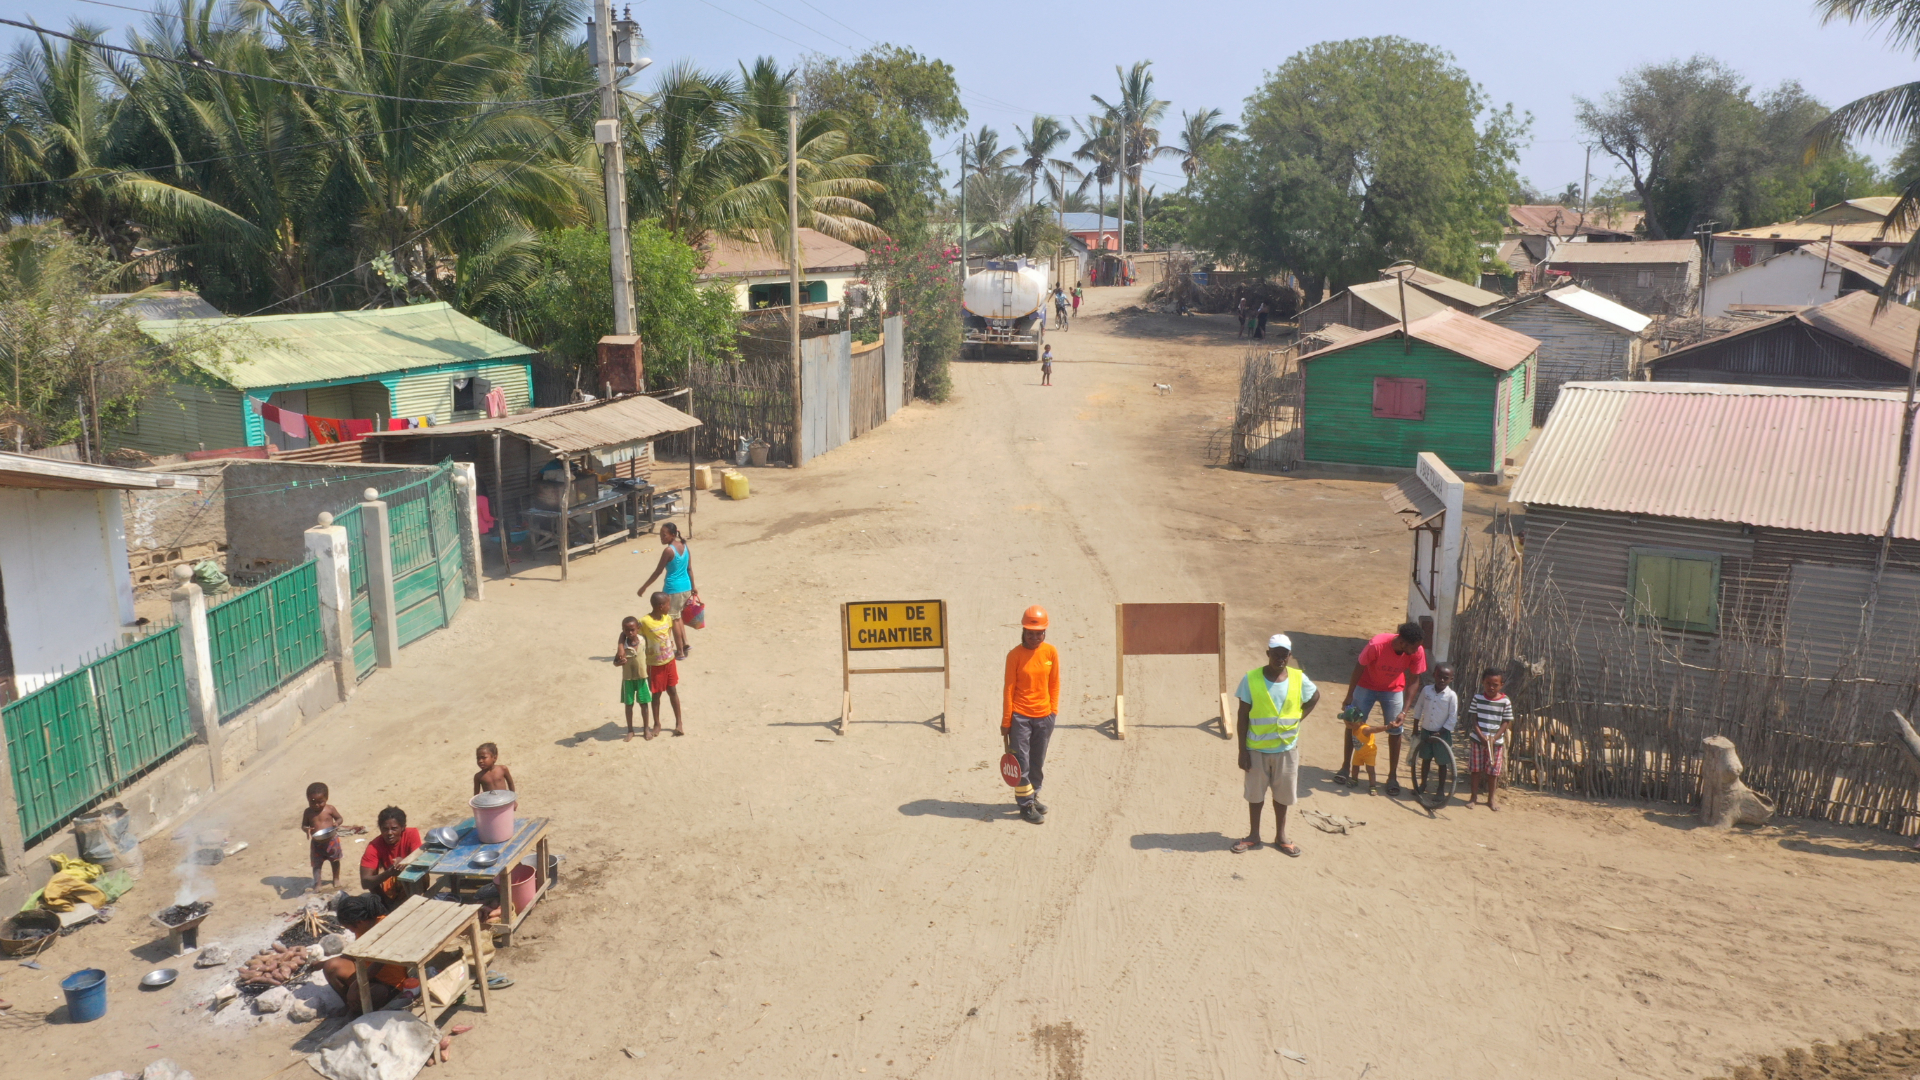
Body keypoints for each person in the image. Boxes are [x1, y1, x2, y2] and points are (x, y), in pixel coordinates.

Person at [1233, 634, 1320, 855]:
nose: (1280, 658)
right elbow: (1242, 716)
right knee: (1255, 795)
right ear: (1267, 654)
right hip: (1256, 748)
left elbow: (1315, 696)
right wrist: (1242, 750)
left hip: (1286, 748)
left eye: (1284, 655)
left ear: (1290, 656)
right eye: (1275, 654)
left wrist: (1299, 717)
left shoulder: (1298, 678)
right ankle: (1253, 835)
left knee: (1283, 796)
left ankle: (1281, 836)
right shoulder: (1251, 679)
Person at [1337, 622, 1428, 795]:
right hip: (1365, 686)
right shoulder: (1376, 645)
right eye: (1414, 647)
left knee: (1395, 731)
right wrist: (1350, 695)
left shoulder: (1417, 651)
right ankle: (1345, 767)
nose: (1417, 651)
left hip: (1393, 690)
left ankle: (1392, 776)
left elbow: (1415, 680)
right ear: (1402, 642)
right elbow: (1359, 667)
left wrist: (1404, 711)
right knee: (1353, 726)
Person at [1002, 605, 1061, 824]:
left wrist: (1053, 711)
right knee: (1021, 762)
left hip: (1044, 717)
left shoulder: (1050, 652)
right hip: (1020, 718)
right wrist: (1006, 721)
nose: (1034, 636)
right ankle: (1025, 806)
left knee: (1037, 761)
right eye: (1030, 632)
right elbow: (1008, 689)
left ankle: (1034, 796)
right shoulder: (1014, 656)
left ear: (1045, 632)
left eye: (1039, 632)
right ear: (1023, 632)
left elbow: (1054, 683)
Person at [636, 522, 697, 659]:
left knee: (673, 619)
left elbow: (658, 572)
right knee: (678, 616)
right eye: (660, 535)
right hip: (686, 587)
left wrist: (644, 587)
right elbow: (689, 569)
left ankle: (680, 651)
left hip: (673, 589)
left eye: (664, 535)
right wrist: (693, 587)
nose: (661, 538)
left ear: (673, 535)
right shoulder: (685, 546)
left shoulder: (669, 551)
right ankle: (685, 643)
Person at [1405, 663, 1459, 796]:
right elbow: (1418, 708)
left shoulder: (1451, 696)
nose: (1441, 680)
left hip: (1442, 734)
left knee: (1442, 763)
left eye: (1445, 678)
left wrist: (1440, 733)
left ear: (1451, 679)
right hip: (1426, 731)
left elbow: (1452, 717)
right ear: (1434, 675)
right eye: (1439, 676)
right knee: (1425, 759)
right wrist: (1415, 728)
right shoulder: (1426, 690)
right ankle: (1422, 784)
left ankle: (1440, 790)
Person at [1466, 669, 1514, 810]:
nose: (1491, 687)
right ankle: (1473, 797)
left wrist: (1495, 738)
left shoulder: (1505, 701)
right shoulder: (1477, 698)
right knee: (1476, 770)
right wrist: (1481, 736)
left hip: (1496, 744)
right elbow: (1474, 720)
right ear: (1482, 683)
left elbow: (1506, 722)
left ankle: (1491, 799)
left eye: (1495, 684)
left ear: (1501, 685)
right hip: (1477, 741)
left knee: (1493, 772)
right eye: (1488, 683)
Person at [360, 806, 421, 906]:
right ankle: (388, 904)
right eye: (385, 829)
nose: (389, 833)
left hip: (412, 878)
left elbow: (420, 859)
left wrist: (405, 861)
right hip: (392, 880)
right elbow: (365, 882)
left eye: (394, 829)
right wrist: (389, 873)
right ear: (380, 828)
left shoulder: (411, 834)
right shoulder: (374, 846)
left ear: (403, 828)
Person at [641, 592, 683, 736]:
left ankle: (679, 722)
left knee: (673, 691)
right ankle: (657, 723)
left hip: (669, 662)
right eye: (668, 604)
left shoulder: (668, 618)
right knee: (656, 695)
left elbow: (668, 633)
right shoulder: (645, 622)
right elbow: (634, 635)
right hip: (654, 664)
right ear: (660, 606)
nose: (669, 607)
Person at [614, 616, 654, 741]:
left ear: (638, 629)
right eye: (626, 630)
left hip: (642, 678)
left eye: (632, 630)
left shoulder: (643, 640)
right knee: (629, 705)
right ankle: (630, 730)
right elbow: (615, 662)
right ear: (623, 630)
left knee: (644, 704)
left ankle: (646, 728)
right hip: (628, 679)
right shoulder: (623, 646)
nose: (630, 633)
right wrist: (619, 662)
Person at [301, 782, 344, 891]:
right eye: (312, 802)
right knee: (316, 865)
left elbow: (339, 818)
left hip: (331, 840)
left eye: (321, 802)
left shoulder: (330, 809)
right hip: (316, 843)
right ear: (308, 800)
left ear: (326, 798)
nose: (316, 805)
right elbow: (304, 825)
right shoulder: (308, 812)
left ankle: (336, 878)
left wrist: (336, 823)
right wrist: (306, 829)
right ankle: (318, 883)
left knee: (335, 861)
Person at [1347, 715, 1388, 794]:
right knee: (1355, 766)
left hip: (1369, 753)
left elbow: (1375, 729)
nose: (1348, 726)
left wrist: (1387, 727)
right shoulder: (1354, 728)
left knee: (1370, 769)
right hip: (1358, 751)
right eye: (1347, 724)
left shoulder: (1364, 729)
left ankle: (1372, 786)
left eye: (1350, 724)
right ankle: (1354, 780)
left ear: (1360, 722)